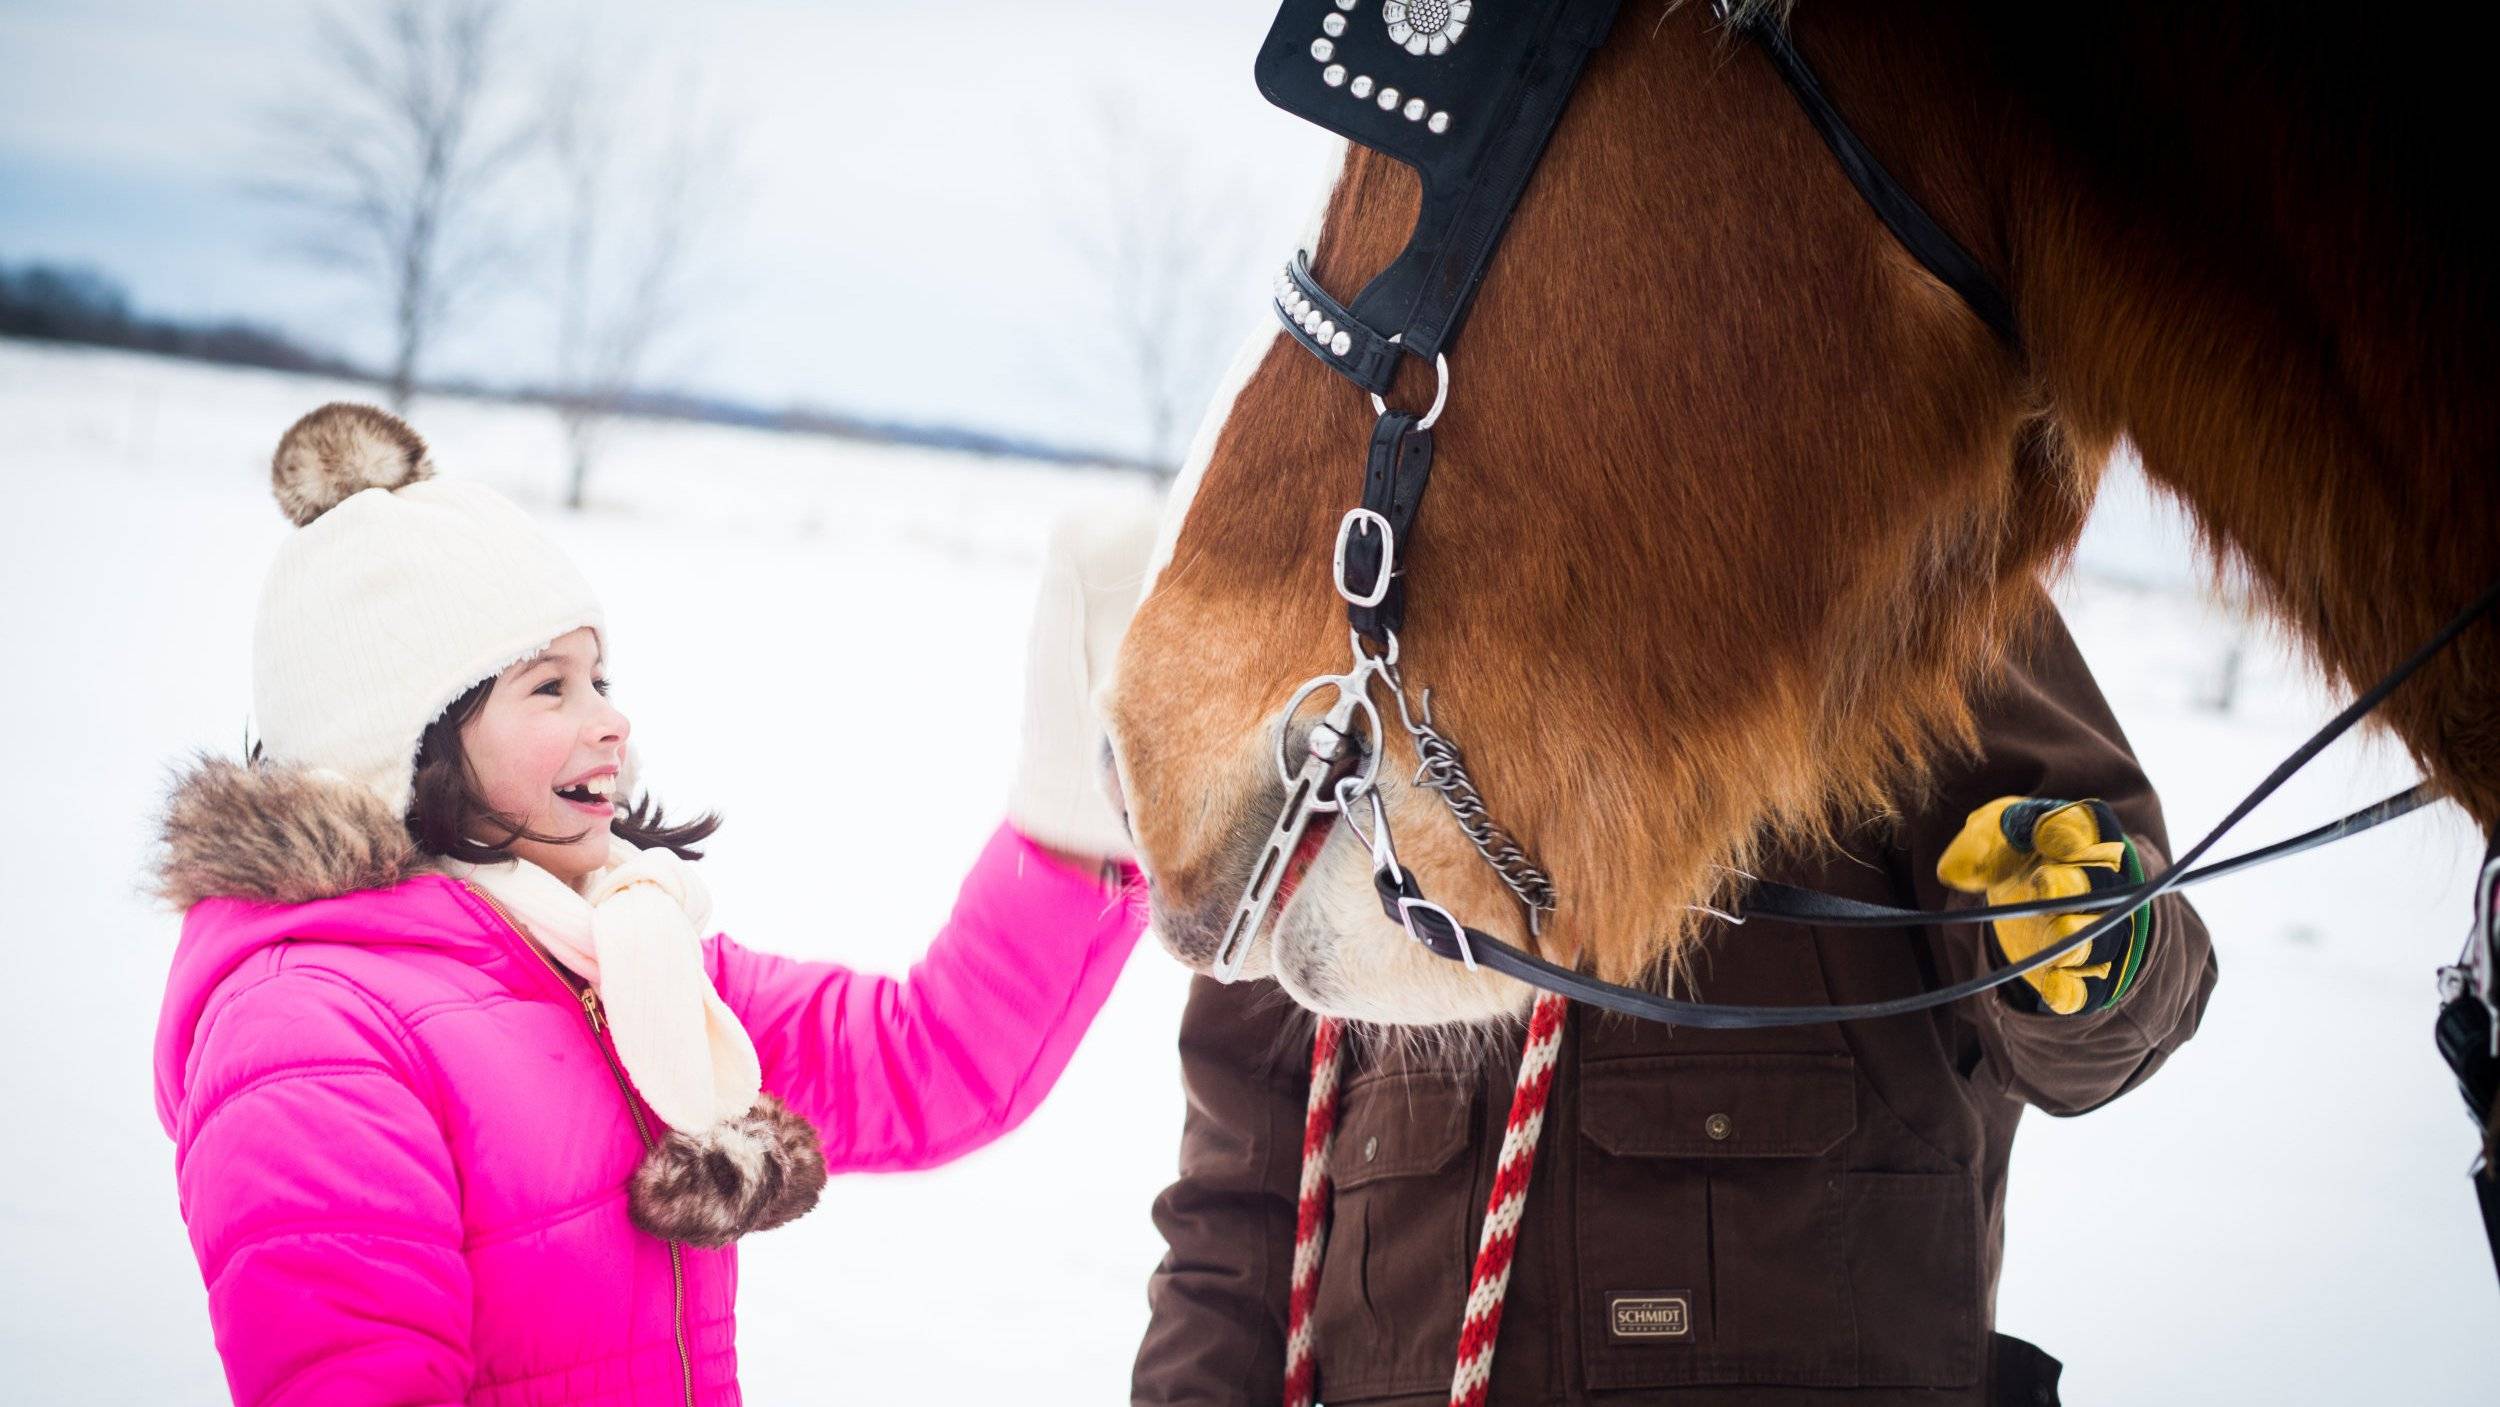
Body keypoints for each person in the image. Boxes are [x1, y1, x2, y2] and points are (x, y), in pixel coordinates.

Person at [149, 402, 1151, 1406]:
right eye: (550, 688)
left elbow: (928, 1062)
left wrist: (1073, 798)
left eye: (600, 676)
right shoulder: (305, 1034)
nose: (612, 719)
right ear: (403, 741)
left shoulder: (622, 957)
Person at [1132, 611, 2216, 1406]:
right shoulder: (1332, 620)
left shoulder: (1891, 544)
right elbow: (1243, 1173)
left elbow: (2098, 1025)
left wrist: (2081, 943)